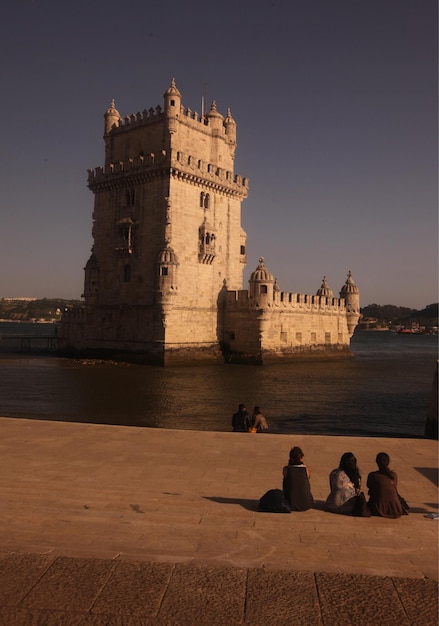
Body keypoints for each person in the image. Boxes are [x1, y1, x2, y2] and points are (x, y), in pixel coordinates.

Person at [367, 452, 404, 518]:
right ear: (388, 462)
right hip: (396, 509)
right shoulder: (393, 475)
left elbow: (369, 486)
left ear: (376, 462)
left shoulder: (373, 475)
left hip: (378, 509)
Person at [282, 446, 313, 511]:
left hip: (290, 503)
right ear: (301, 458)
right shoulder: (307, 469)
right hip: (306, 504)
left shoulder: (286, 469)